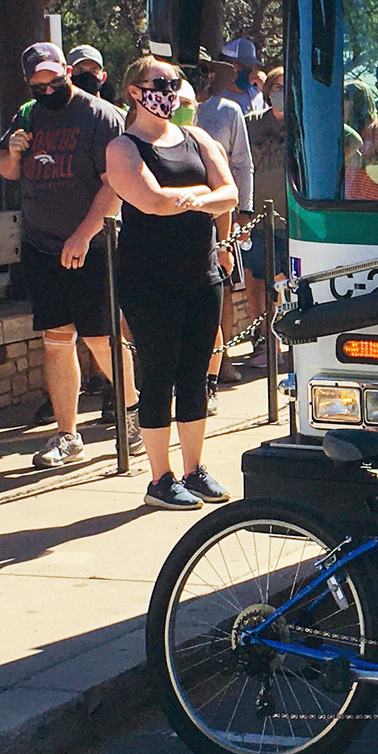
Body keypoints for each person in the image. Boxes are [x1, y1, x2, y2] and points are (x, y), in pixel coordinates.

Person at [0, 43, 136, 467]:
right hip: (41, 244)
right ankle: (66, 434)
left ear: (68, 71)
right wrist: (11, 151)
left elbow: (114, 186)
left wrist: (83, 235)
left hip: (91, 245)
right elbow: (5, 167)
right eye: (40, 83)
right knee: (56, 340)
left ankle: (131, 409)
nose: (50, 88)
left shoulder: (99, 116)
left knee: (101, 338)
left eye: (56, 80)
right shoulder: (28, 115)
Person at [103, 55, 239, 507]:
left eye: (174, 81)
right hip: (149, 279)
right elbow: (152, 202)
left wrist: (188, 199)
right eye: (159, 81)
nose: (169, 89)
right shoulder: (123, 148)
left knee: (195, 375)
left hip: (201, 274)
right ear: (135, 91)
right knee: (158, 374)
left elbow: (230, 195)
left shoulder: (199, 139)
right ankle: (160, 479)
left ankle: (193, 469)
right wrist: (200, 196)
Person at [193, 55, 254, 386]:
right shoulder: (166, 109)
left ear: (212, 74)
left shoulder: (228, 111)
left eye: (203, 71)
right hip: (180, 211)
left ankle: (222, 358)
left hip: (222, 211)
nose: (197, 76)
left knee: (225, 287)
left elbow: (243, 163)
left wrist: (244, 207)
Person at [242, 66, 288, 356]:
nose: (281, 93)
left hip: (289, 217)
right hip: (257, 217)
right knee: (257, 279)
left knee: (282, 280)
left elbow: (349, 142)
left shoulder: (304, 123)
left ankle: (283, 334)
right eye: (277, 88)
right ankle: (263, 339)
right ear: (267, 91)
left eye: (287, 88)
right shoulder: (250, 124)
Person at [342, 81, 378, 200]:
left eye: (345, 98)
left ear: (359, 102)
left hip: (372, 208)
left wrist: (365, 163)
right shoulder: (348, 134)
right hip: (347, 207)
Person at [217, 37, 267, 116]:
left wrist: (266, 91)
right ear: (226, 66)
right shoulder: (215, 100)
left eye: (251, 66)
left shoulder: (258, 96)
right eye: (243, 65)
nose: (248, 71)